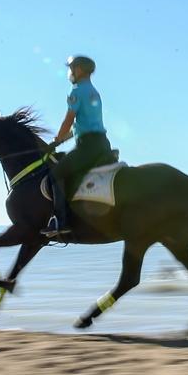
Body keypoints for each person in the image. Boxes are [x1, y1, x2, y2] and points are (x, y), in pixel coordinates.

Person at [41, 55, 113, 239]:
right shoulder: (92, 91)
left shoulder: (76, 91)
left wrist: (56, 141)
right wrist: (61, 141)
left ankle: (61, 222)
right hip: (101, 143)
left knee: (55, 175)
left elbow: (69, 119)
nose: (70, 72)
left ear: (79, 69)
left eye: (72, 68)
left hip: (87, 146)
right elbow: (79, 126)